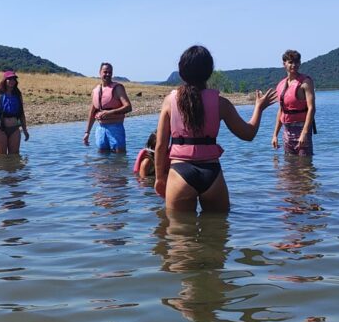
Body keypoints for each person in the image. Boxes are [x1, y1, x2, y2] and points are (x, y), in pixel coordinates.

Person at [155, 45, 277, 212]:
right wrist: (259, 108)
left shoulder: (170, 101)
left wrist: (159, 177)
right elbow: (248, 134)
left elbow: (160, 146)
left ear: (182, 71)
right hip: (211, 173)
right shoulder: (221, 103)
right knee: (217, 234)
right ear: (209, 71)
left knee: (179, 234)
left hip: (179, 172)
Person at [271, 49, 316, 157]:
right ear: (284, 64)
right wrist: (275, 135)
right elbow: (281, 110)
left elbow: (311, 108)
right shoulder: (281, 85)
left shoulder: (305, 82)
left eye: (297, 62)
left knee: (305, 167)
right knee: (288, 167)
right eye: (291, 62)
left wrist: (304, 133)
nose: (294, 65)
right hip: (287, 131)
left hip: (301, 129)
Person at [83, 62, 132, 152]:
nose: (108, 74)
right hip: (101, 129)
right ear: (100, 72)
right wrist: (87, 133)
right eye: (105, 72)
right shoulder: (95, 91)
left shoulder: (118, 88)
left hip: (116, 128)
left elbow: (128, 107)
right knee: (102, 158)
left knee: (119, 158)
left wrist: (110, 112)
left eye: (110, 72)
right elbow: (92, 113)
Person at [0, 70, 30, 154]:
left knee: (15, 156)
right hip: (0, 128)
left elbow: (21, 113)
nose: (12, 81)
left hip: (14, 129)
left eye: (14, 79)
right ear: (5, 80)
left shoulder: (18, 94)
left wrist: (25, 130)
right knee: (1, 157)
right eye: (9, 79)